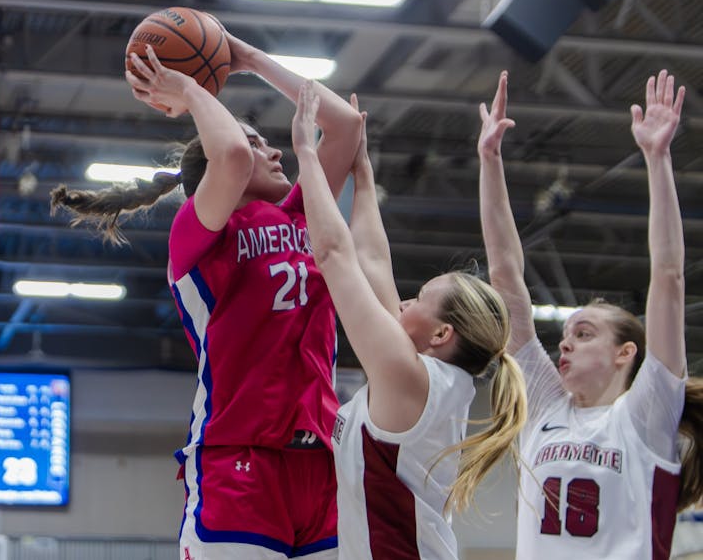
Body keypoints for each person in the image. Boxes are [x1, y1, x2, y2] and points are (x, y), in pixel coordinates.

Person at [51, 33, 363, 558]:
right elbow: (235, 155)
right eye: (259, 141)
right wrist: (194, 90)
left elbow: (348, 128)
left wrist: (249, 58)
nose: (273, 149)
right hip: (240, 462)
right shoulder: (196, 232)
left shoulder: (301, 213)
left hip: (320, 462)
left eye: (267, 141)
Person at [290, 81, 527, 559]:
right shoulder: (424, 377)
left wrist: (306, 156)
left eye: (418, 299)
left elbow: (334, 255)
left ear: (441, 334)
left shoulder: (408, 374)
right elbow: (373, 262)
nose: (401, 304)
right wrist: (360, 169)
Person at [477, 69, 703, 558]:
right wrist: (489, 161)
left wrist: (658, 158)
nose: (565, 343)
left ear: (626, 353)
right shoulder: (545, 410)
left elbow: (668, 275)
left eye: (583, 333)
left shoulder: (646, 413)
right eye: (567, 334)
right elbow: (504, 276)